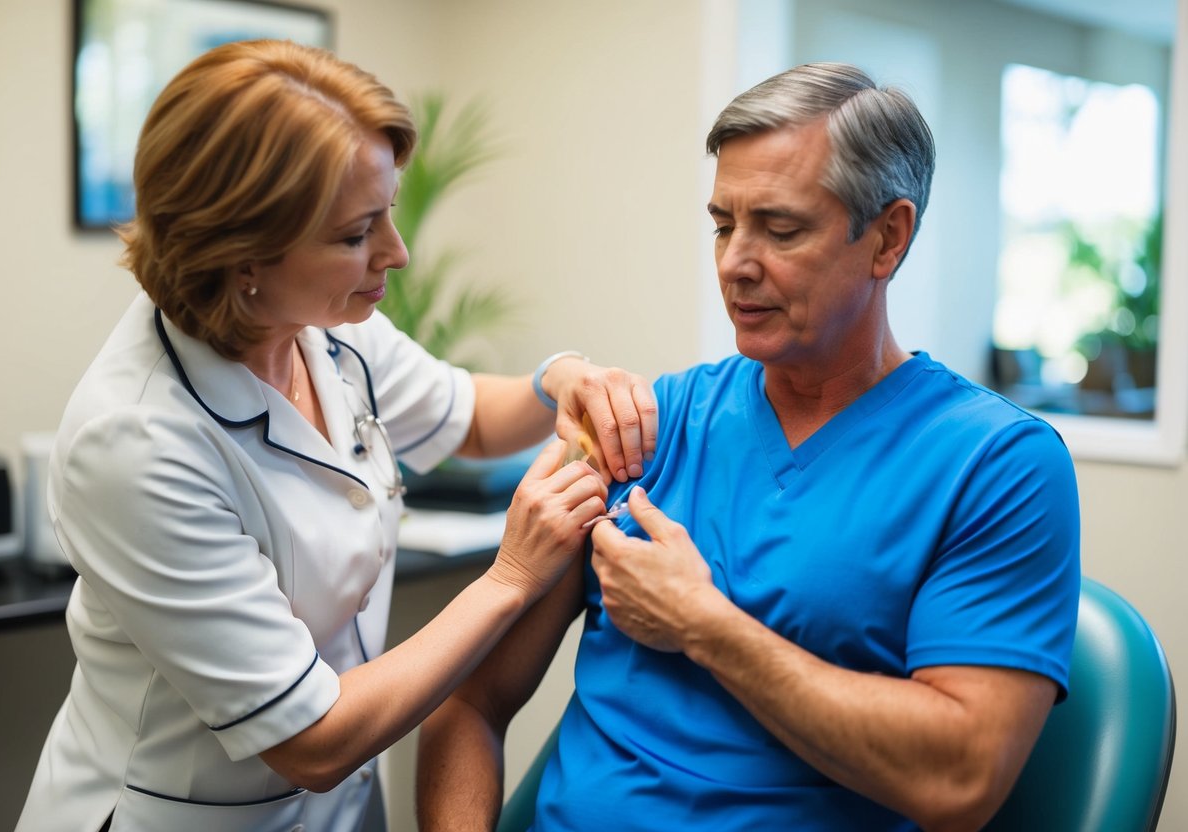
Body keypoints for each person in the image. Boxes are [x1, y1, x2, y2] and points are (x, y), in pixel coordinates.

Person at [416, 62, 1080, 832]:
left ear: (886, 238)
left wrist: (702, 624)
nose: (734, 262)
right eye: (723, 224)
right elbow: (468, 700)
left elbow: (959, 780)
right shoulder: (640, 426)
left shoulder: (997, 465)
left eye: (781, 228)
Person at [15, 39, 657, 832]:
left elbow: (469, 417)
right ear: (242, 253)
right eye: (357, 233)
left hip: (339, 805)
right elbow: (311, 740)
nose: (397, 251)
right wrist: (510, 578)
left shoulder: (320, 330)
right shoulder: (137, 442)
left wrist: (559, 376)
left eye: (386, 212)